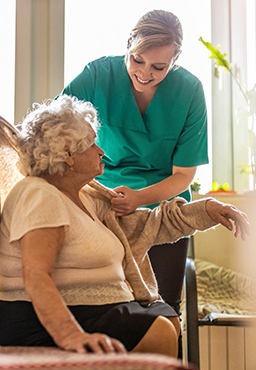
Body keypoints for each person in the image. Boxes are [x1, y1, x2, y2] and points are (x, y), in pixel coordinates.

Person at [0, 95, 249, 357]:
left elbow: (151, 224)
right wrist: (70, 334)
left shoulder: (89, 198)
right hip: (36, 319)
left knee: (166, 320)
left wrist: (209, 210)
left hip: (93, 308)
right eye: (91, 144)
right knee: (159, 331)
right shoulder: (39, 194)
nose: (101, 151)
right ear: (68, 155)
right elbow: (36, 275)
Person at [61, 9, 207, 325]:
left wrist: (140, 199)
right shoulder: (99, 75)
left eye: (159, 67)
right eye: (137, 59)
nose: (144, 73)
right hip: (104, 202)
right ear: (128, 44)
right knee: (105, 310)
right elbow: (53, 126)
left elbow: (184, 176)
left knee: (164, 311)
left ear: (175, 60)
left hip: (163, 207)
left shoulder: (190, 91)